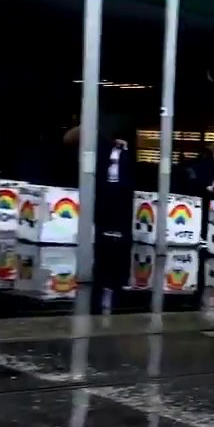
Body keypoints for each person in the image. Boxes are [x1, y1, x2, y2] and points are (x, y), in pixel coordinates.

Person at [63, 115, 135, 312]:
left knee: (110, 238)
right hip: (106, 192)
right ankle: (108, 279)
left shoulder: (120, 153)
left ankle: (111, 280)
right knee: (105, 237)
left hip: (114, 193)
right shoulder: (102, 149)